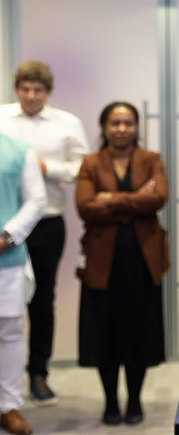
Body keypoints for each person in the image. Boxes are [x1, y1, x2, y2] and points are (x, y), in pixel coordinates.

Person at [0, 60, 89, 406]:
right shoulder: (2, 118)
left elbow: (83, 166)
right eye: (25, 88)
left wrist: (46, 168)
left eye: (38, 89)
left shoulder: (67, 123)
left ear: (48, 92)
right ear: (16, 88)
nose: (31, 95)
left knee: (41, 301)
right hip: (4, 227)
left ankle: (38, 373)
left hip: (47, 223)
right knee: (5, 305)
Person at [75, 102, 169, 425]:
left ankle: (135, 400)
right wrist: (134, 199)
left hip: (142, 262)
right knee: (105, 333)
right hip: (103, 264)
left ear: (136, 126)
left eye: (128, 122)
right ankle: (111, 401)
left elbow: (159, 198)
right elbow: (85, 207)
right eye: (115, 123)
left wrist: (110, 198)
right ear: (103, 127)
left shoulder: (151, 159)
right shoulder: (90, 163)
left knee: (139, 331)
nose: (121, 129)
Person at [0, 133, 46, 435]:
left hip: (6, 257)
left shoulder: (17, 150)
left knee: (9, 332)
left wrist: (7, 235)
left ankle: (8, 406)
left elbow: (36, 199)